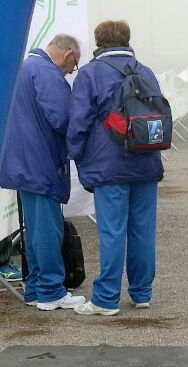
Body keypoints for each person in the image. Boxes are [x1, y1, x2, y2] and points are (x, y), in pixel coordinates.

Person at [67, 20, 163, 316]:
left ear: (98, 42)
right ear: (127, 40)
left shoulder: (90, 74)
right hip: (146, 163)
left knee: (112, 232)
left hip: (109, 168)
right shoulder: (144, 71)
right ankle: (141, 292)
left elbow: (79, 123)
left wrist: (75, 155)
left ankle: (106, 299)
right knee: (142, 231)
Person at [0, 34, 85, 310]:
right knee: (47, 228)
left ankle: (36, 288)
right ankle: (51, 291)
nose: (71, 72)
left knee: (34, 230)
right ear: (68, 53)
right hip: (41, 164)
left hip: (21, 164)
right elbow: (62, 118)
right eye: (73, 66)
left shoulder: (25, 67)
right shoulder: (47, 73)